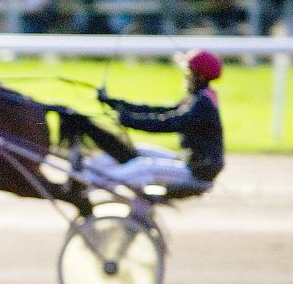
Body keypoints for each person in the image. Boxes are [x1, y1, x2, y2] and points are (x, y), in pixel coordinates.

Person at [86, 49, 225, 195]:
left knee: (144, 167)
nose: (186, 75)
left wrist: (129, 121)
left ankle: (92, 183)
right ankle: (89, 171)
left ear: (201, 76)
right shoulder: (198, 98)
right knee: (139, 150)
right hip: (189, 161)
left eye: (189, 71)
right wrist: (115, 104)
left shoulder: (203, 105)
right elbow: (158, 111)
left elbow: (167, 123)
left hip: (197, 171)